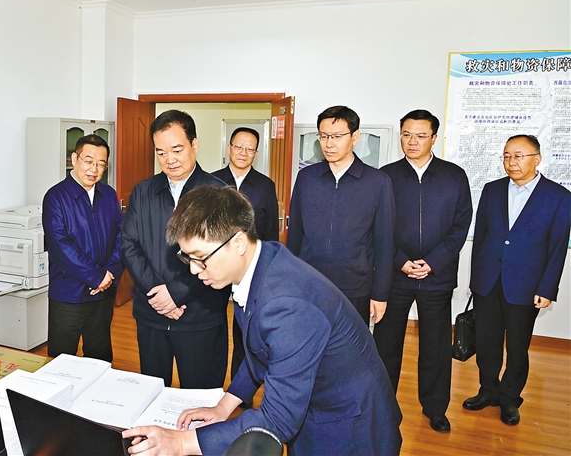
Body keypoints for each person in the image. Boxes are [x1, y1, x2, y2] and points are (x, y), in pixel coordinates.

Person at [123, 186, 403, 456]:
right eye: (188, 259)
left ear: (238, 242)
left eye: (200, 258)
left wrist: (181, 442)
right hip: (312, 407)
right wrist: (224, 406)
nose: (195, 270)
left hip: (349, 424)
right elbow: (261, 352)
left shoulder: (287, 304)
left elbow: (278, 419)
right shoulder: (262, 261)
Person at [373, 110, 472, 433]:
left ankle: (435, 408)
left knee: (436, 346)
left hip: (437, 276)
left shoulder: (454, 176)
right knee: (386, 345)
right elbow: (378, 226)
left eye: (420, 135)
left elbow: (460, 225)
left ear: (434, 138)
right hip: (395, 275)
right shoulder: (385, 177)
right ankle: (383, 406)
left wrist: (434, 262)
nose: (412, 141)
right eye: (406, 134)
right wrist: (400, 261)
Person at [463, 134, 570, 426]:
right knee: (486, 342)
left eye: (519, 156)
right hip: (488, 281)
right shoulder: (492, 190)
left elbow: (557, 247)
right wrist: (475, 280)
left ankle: (510, 398)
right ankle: (488, 390)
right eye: (507, 156)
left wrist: (547, 288)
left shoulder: (558, 197)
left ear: (537, 159)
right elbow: (482, 237)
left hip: (527, 285)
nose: (512, 162)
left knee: (517, 346)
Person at [121, 110, 228, 389]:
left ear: (194, 145)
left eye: (177, 150)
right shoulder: (143, 192)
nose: (169, 159)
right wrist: (158, 293)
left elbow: (222, 257)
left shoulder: (218, 194)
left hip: (199, 317)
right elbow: (130, 245)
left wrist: (176, 293)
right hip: (152, 313)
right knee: (152, 392)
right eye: (161, 152)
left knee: (200, 397)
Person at [287, 105, 395, 325]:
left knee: (349, 344)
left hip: (355, 287)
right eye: (323, 136)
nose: (329, 143)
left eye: (337, 136)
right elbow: (295, 234)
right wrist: (290, 280)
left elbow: (385, 242)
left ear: (355, 137)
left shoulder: (377, 182)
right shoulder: (307, 177)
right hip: (310, 282)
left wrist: (380, 294)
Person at [42, 134, 123, 362]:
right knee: (62, 360)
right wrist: (97, 277)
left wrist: (110, 274)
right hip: (69, 293)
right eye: (88, 161)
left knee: (100, 356)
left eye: (101, 163)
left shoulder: (108, 194)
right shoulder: (56, 197)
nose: (94, 169)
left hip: (103, 292)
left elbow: (122, 236)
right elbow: (61, 246)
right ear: (74, 158)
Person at [212, 127, 278, 385]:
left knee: (244, 332)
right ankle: (212, 385)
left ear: (256, 153)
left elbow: (270, 232)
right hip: (215, 266)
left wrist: (267, 270)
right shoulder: (212, 181)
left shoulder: (265, 185)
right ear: (229, 148)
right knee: (214, 327)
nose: (243, 152)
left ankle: (240, 392)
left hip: (249, 270)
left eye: (249, 148)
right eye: (239, 146)